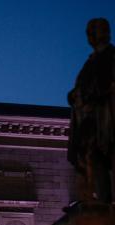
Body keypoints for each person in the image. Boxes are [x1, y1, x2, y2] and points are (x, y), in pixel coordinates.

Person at [68, 18, 115, 203]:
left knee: (109, 152)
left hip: (107, 114)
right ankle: (103, 201)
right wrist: (74, 95)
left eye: (102, 30)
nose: (95, 35)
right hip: (91, 119)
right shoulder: (90, 63)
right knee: (95, 159)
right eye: (94, 31)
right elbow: (80, 87)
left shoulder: (111, 56)